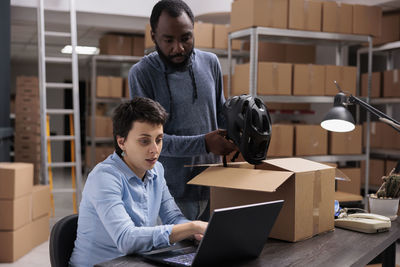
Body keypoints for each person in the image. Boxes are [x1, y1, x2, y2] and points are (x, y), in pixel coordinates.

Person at [128, 0, 236, 220]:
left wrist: (241, 127)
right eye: (168, 40)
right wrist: (204, 143)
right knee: (175, 255)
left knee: (214, 254)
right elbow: (149, 140)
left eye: (186, 38)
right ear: (154, 36)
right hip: (167, 196)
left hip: (213, 185)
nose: (178, 48)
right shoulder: (142, 73)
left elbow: (220, 114)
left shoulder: (211, 63)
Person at [69, 97, 208, 267]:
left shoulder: (157, 170)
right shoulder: (104, 177)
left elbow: (172, 217)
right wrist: (192, 227)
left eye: (159, 139)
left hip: (135, 262)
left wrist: (194, 232)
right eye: (144, 141)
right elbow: (126, 238)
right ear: (122, 142)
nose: (154, 149)